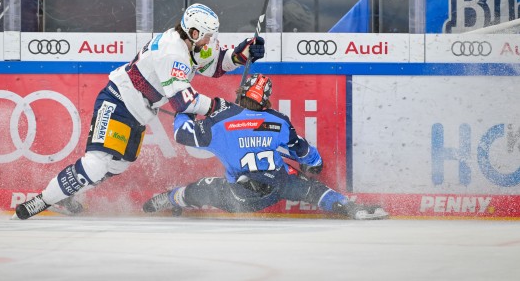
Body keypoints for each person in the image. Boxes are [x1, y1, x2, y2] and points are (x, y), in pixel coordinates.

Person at [14, 4, 266, 219]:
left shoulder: (194, 43)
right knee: (96, 164)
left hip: (138, 114)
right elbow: (184, 102)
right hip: (117, 101)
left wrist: (240, 55)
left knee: (118, 165)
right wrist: (218, 107)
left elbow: (213, 65)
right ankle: (43, 200)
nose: (211, 40)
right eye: (208, 35)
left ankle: (65, 196)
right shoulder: (172, 51)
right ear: (194, 31)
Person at [143, 74, 389, 220]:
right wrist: (315, 164)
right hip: (276, 187)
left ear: (240, 95)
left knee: (202, 188)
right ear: (266, 101)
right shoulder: (278, 120)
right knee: (312, 189)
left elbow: (181, 133)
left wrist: (184, 111)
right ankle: (351, 208)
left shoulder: (219, 122)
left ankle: (169, 199)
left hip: (239, 197)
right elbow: (303, 151)